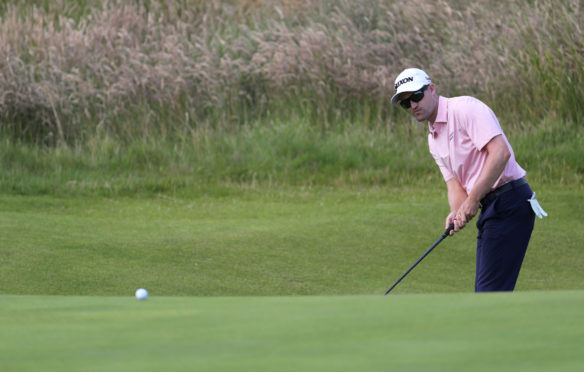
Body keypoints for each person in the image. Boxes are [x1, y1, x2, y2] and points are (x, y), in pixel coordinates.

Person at [390, 68, 547, 292]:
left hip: (510, 200)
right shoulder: (433, 139)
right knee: (488, 293)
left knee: (488, 294)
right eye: (406, 104)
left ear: (432, 89)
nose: (413, 105)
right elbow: (454, 184)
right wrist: (457, 211)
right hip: (492, 207)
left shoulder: (464, 108)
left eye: (416, 96)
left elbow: (500, 153)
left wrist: (472, 200)